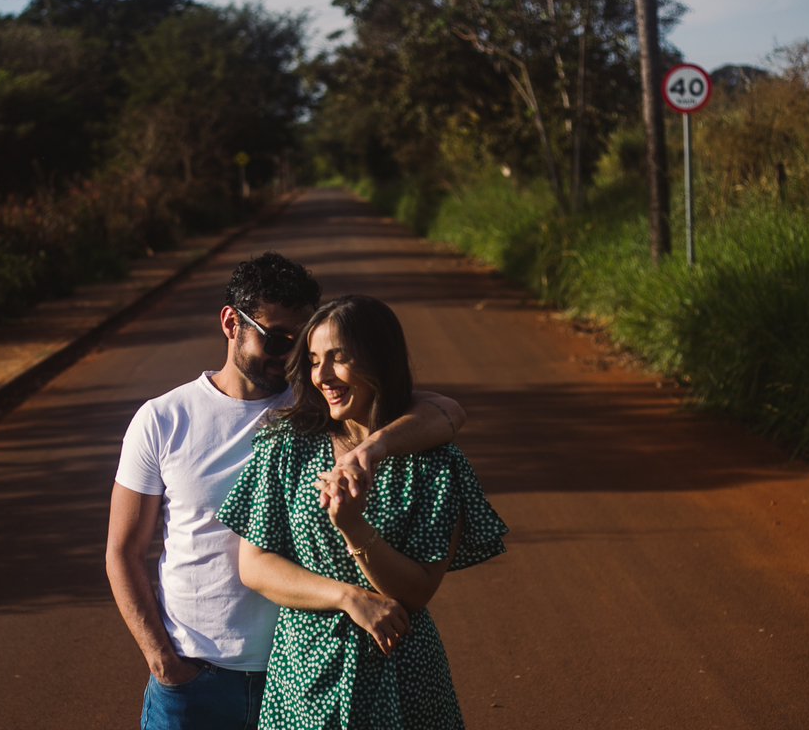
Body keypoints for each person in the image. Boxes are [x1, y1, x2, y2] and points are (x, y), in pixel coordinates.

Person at [106, 253, 468, 730]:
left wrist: (370, 449)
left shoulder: (315, 409)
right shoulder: (163, 419)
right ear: (231, 323)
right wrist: (164, 663)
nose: (290, 357)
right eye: (277, 339)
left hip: (297, 672)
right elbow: (124, 552)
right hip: (195, 677)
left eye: (302, 344)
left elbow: (446, 411)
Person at [217, 294, 508, 730]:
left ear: (379, 360)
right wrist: (350, 598)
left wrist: (353, 527)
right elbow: (255, 566)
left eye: (339, 358)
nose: (322, 376)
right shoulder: (286, 446)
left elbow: (417, 591)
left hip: (402, 672)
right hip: (304, 676)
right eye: (314, 361)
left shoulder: (436, 464)